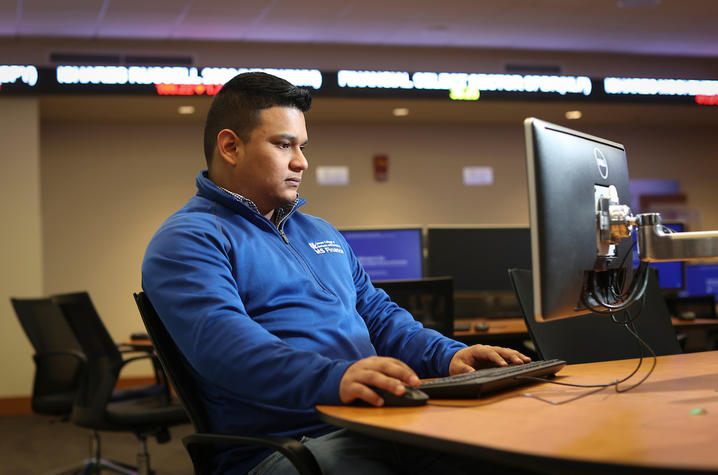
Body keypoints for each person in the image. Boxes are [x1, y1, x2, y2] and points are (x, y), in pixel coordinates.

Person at [142, 72, 531, 474]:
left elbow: (379, 317)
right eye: (283, 144)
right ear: (230, 147)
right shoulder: (188, 240)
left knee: (514, 446)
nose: (301, 161)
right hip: (284, 447)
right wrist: (337, 379)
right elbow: (228, 349)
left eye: (302, 146)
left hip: (373, 422)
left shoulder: (320, 231)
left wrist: (450, 357)